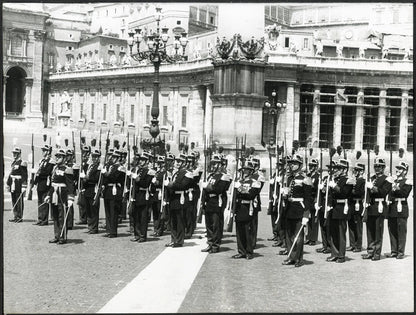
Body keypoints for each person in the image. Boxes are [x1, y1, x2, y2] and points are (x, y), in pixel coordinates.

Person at [281, 154, 312, 267]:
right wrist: (284, 194)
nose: (291, 165)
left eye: (294, 163)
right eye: (291, 163)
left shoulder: (305, 178)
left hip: (300, 208)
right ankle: (291, 257)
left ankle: (298, 258)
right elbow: (288, 194)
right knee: (289, 235)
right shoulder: (288, 178)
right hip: (289, 208)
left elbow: (309, 198)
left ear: (299, 165)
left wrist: (306, 214)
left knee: (298, 236)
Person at [362, 158, 392, 261]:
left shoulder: (387, 179)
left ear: (383, 168)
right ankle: (370, 251)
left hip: (379, 206)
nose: (377, 168)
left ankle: (377, 253)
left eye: (379, 166)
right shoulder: (372, 178)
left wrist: (373, 188)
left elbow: (384, 192)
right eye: (375, 166)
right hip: (371, 206)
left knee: (378, 231)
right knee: (370, 230)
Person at [200, 154, 232, 253]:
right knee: (209, 224)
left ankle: (215, 245)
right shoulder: (211, 175)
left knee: (216, 225)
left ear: (220, 165)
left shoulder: (224, 176)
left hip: (217, 202)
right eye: (212, 164)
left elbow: (219, 189)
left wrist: (207, 186)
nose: (213, 166)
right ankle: (210, 243)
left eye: (215, 164)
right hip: (209, 201)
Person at [326, 159, 353, 263]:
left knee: (341, 233)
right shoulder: (335, 179)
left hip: (342, 208)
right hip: (334, 207)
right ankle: (334, 253)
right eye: (335, 168)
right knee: (333, 232)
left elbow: (344, 193)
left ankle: (341, 255)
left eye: (338, 168)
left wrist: (334, 186)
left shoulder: (348, 180)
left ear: (344, 170)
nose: (335, 170)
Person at [45, 149, 75, 244]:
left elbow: (70, 185)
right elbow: (52, 183)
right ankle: (57, 235)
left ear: (64, 158)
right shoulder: (55, 168)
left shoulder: (67, 169)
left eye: (60, 156)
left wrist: (70, 198)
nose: (57, 158)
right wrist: (48, 195)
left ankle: (63, 237)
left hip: (62, 195)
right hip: (54, 193)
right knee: (55, 215)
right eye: (57, 156)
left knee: (62, 215)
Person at [232, 161, 261, 260]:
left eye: (247, 170)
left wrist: (239, 188)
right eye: (243, 169)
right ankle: (241, 251)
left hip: (248, 208)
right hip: (239, 207)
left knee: (247, 231)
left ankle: (249, 251)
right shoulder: (239, 181)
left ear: (251, 171)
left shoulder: (254, 182)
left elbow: (251, 195)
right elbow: (235, 196)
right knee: (239, 231)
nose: (244, 171)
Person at [385, 161, 412, 259]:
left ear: (404, 171)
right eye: (397, 168)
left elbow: (404, 194)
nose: (398, 170)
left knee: (401, 231)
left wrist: (396, 188)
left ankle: (400, 252)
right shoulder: (394, 180)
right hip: (393, 208)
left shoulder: (407, 181)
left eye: (400, 169)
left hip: (401, 207)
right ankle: (394, 250)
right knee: (392, 230)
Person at [165, 154, 193, 247]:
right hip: (173, 198)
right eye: (177, 161)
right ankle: (173, 239)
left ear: (184, 163)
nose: (177, 163)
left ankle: (179, 240)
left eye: (180, 161)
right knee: (173, 220)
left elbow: (183, 185)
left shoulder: (187, 173)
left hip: (181, 198)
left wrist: (170, 184)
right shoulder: (175, 173)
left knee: (180, 220)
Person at [130, 152, 154, 242]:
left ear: (147, 161)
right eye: (140, 160)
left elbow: (145, 184)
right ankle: (137, 234)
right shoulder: (138, 170)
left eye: (143, 160)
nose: (141, 162)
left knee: (143, 217)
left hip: (143, 195)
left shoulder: (149, 171)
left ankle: (143, 236)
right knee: (136, 216)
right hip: (136, 194)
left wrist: (137, 179)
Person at [101, 150, 124, 238]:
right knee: (108, 212)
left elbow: (115, 178)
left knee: (113, 212)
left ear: (118, 158)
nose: (112, 158)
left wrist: (106, 174)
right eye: (112, 157)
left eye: (114, 157)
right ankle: (108, 230)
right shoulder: (110, 167)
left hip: (115, 191)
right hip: (108, 190)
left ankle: (113, 231)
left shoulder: (120, 167)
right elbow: (106, 180)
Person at [80, 148, 101, 234]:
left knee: (93, 209)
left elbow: (97, 178)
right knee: (88, 209)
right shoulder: (90, 166)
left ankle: (94, 227)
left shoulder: (99, 167)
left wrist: (87, 178)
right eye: (93, 156)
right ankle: (90, 226)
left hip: (93, 189)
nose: (94, 158)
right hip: (87, 189)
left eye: (96, 157)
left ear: (99, 158)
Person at [347, 162, 366, 252]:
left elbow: (360, 192)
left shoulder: (362, 181)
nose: (355, 171)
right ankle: (352, 244)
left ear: (362, 171)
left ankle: (358, 245)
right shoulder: (353, 179)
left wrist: (353, 188)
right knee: (351, 224)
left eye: (358, 170)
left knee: (358, 225)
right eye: (355, 170)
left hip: (358, 203)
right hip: (352, 203)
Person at [33, 145, 54, 225]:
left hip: (46, 183)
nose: (43, 152)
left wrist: (39, 173)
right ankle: (40, 218)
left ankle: (44, 220)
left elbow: (47, 172)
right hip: (40, 183)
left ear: (48, 152)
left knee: (44, 201)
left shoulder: (51, 161)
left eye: (44, 150)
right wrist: (35, 181)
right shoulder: (42, 161)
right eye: (43, 150)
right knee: (40, 201)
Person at [6, 147, 28, 223]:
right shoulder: (14, 163)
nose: (14, 154)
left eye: (16, 153)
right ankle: (15, 216)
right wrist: (8, 183)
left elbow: (24, 175)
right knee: (14, 199)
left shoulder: (22, 163)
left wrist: (24, 186)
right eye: (13, 153)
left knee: (19, 200)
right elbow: (11, 174)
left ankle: (19, 216)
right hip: (13, 183)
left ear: (19, 154)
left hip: (18, 183)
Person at [249, 157, 265, 249]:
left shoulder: (259, 176)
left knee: (253, 223)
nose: (252, 167)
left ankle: (252, 242)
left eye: (254, 165)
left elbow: (257, 190)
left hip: (254, 200)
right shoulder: (247, 175)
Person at [305, 158, 320, 246]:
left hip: (314, 199)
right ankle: (308, 237)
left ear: (316, 167)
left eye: (313, 166)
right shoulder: (308, 175)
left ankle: (313, 239)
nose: (311, 167)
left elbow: (316, 189)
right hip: (308, 200)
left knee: (314, 220)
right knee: (308, 219)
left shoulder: (317, 176)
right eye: (310, 165)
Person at [76, 145, 91, 225]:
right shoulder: (82, 163)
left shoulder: (88, 164)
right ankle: (82, 218)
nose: (84, 155)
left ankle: (85, 218)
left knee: (85, 203)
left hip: (86, 185)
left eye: (86, 153)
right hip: (81, 185)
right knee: (81, 202)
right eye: (83, 153)